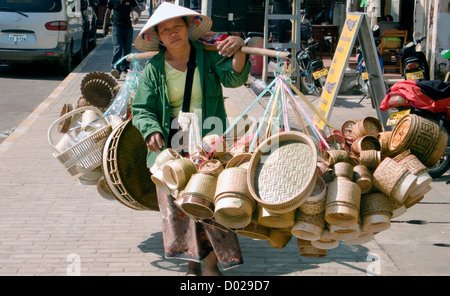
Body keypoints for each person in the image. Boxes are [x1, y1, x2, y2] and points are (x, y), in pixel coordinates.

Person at [131, 2, 251, 276]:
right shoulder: (154, 69)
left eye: (177, 26)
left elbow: (233, 78)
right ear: (158, 37)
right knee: (181, 205)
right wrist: (150, 129)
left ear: (188, 28)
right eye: (165, 30)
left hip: (208, 141)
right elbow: (142, 108)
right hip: (171, 145)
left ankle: (210, 265)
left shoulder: (207, 56)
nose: (172, 33)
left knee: (209, 200)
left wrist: (238, 47)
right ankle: (192, 263)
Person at [103, 0, 142, 79]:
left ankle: (124, 69)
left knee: (127, 49)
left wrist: (137, 17)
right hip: (116, 27)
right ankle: (115, 68)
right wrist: (105, 27)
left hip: (127, 28)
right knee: (118, 47)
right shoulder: (112, 1)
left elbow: (138, 9)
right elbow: (108, 13)